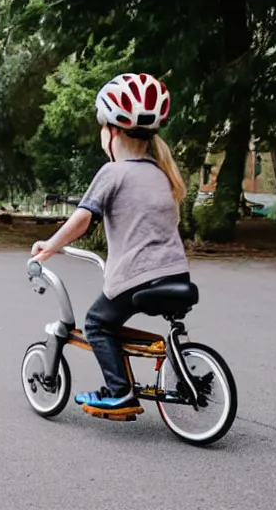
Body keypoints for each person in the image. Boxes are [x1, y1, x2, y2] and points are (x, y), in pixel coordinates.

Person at [30, 72, 192, 418]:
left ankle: (119, 392)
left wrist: (50, 246)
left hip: (136, 278)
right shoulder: (161, 174)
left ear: (112, 132)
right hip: (177, 275)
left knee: (97, 324)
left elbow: (82, 220)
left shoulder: (113, 173)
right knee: (116, 318)